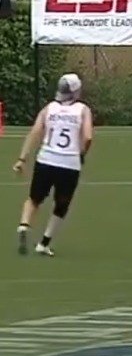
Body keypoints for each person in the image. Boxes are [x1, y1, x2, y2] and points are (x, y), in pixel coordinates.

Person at [13, 73, 93, 257]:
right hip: (69, 163)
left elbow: (34, 133)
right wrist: (81, 153)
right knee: (61, 205)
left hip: (46, 159)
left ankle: (24, 225)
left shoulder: (49, 108)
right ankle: (44, 243)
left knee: (34, 199)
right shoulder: (83, 109)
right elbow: (88, 137)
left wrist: (22, 159)